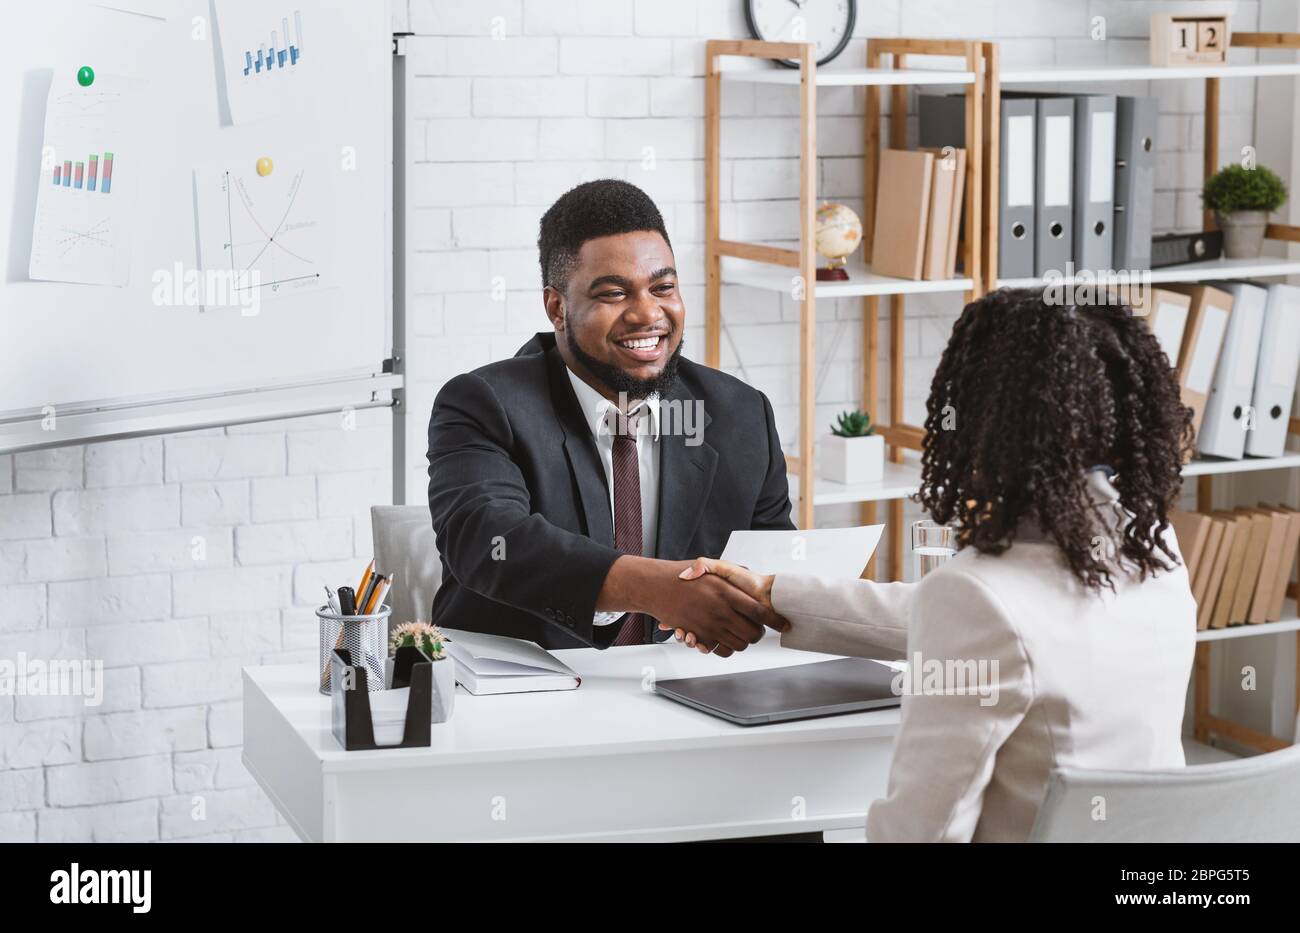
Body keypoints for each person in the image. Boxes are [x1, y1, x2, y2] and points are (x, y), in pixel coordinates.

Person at [675, 288, 1198, 842]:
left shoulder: (979, 595)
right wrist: (776, 593)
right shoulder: (1151, 547)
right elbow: (994, 629)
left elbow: (924, 832)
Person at [426, 179, 792, 651]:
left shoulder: (739, 412)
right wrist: (660, 589)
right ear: (557, 307)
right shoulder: (485, 403)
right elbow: (490, 542)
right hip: (522, 703)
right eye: (614, 294)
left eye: (663, 287)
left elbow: (772, 565)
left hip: (694, 694)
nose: (647, 314)